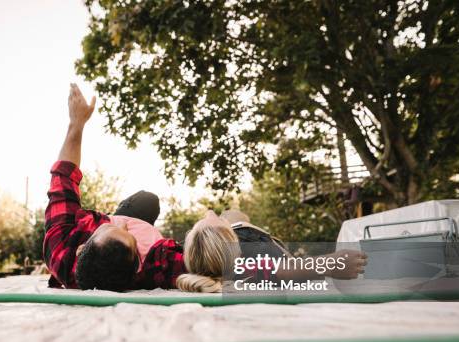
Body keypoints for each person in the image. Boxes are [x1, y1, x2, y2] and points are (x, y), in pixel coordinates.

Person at [43, 84, 186, 291]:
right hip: (148, 244)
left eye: (110, 228)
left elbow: (64, 177)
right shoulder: (156, 266)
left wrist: (77, 124)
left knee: (146, 200)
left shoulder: (61, 248)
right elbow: (215, 264)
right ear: (136, 266)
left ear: (82, 249)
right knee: (150, 202)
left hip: (103, 228)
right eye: (131, 238)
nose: (125, 225)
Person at [177, 210, 367, 292]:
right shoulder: (245, 254)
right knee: (234, 215)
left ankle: (233, 219)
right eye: (216, 219)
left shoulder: (206, 263)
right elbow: (284, 271)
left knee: (233, 215)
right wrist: (334, 262)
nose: (210, 212)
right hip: (252, 239)